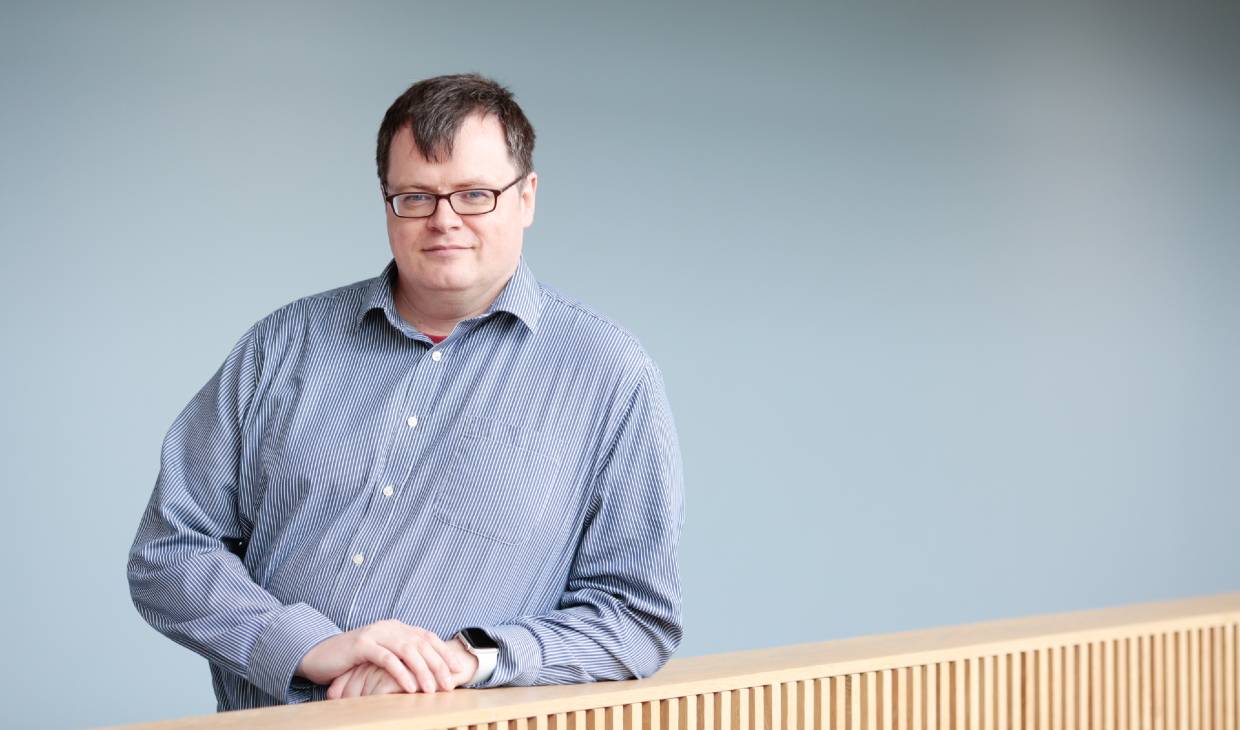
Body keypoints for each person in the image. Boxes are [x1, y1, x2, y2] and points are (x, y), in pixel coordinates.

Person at [128, 73, 685, 710]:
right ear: (387, 201)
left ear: (526, 197)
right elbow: (168, 553)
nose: (444, 221)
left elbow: (636, 619)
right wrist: (304, 646)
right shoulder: (280, 348)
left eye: (475, 194)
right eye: (416, 196)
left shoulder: (609, 375)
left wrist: (466, 659)